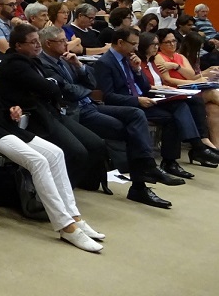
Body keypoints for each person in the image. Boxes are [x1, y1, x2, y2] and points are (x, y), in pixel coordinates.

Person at [0, 35, 104, 252]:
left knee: (56, 153)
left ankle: (74, 216)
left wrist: (13, 109)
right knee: (38, 161)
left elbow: (0, 106)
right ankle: (65, 226)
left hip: (5, 127)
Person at [38, 25, 179, 204]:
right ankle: (140, 183)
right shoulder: (43, 63)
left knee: (135, 116)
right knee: (131, 130)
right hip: (75, 111)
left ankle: (146, 170)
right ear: (49, 44)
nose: (67, 44)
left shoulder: (67, 60)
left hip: (91, 106)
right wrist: (87, 90)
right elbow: (70, 91)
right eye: (62, 41)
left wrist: (79, 66)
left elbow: (92, 81)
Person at [94, 28, 214, 194]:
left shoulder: (129, 59)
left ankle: (174, 159)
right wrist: (137, 100)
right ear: (120, 43)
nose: (136, 48)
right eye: (133, 44)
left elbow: (144, 86)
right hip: (125, 105)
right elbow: (109, 96)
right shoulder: (105, 62)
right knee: (166, 116)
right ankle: (185, 153)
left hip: (141, 100)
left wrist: (137, 70)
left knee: (179, 107)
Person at [0, 23, 108, 191]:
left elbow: (56, 82)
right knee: (76, 152)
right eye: (33, 42)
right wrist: (51, 85)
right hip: (35, 117)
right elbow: (49, 87)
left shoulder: (33, 60)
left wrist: (51, 84)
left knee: (96, 143)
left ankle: (83, 183)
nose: (38, 44)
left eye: (37, 40)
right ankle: (56, 195)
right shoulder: (14, 64)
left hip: (51, 111)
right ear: (18, 46)